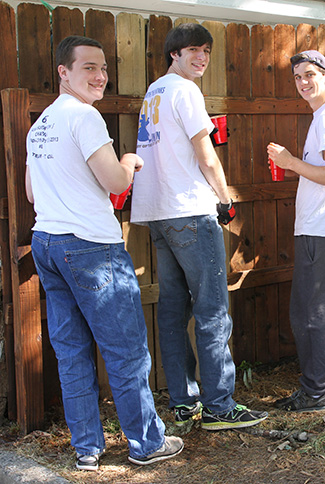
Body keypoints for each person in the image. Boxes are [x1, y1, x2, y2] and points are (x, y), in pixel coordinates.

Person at [25, 35, 183, 471]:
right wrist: (130, 161)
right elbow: (115, 182)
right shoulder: (85, 117)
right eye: (89, 68)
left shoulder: (40, 125)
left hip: (48, 243)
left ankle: (87, 450)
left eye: (103, 68)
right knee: (126, 349)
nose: (100, 76)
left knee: (72, 348)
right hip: (91, 246)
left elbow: (31, 191)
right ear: (64, 71)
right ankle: (146, 444)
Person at [131, 23, 267, 429]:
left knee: (173, 308)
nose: (202, 58)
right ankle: (221, 406)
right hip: (188, 209)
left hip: (157, 211)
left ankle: (184, 401)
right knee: (212, 309)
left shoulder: (153, 92)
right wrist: (225, 199)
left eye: (206, 51)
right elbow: (206, 155)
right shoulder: (185, 91)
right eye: (193, 50)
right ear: (174, 53)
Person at [267, 50, 325, 412]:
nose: (304, 82)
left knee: (311, 310)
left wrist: (290, 163)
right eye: (298, 77)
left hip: (320, 226)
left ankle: (316, 392)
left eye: (310, 74)